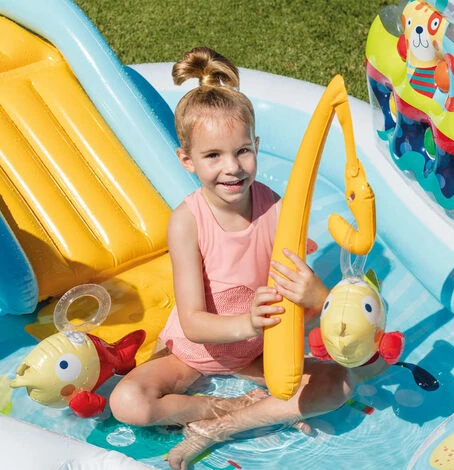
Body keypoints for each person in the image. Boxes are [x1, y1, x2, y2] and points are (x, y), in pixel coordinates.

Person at [109, 47, 383, 470]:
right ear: (187, 160)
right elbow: (194, 322)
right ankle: (224, 409)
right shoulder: (187, 222)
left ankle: (220, 428)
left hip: (257, 355)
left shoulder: (277, 210)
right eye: (213, 156)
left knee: (339, 384)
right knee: (127, 402)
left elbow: (306, 310)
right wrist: (249, 324)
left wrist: (317, 295)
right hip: (192, 355)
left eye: (242, 151)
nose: (232, 167)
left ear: (256, 146)